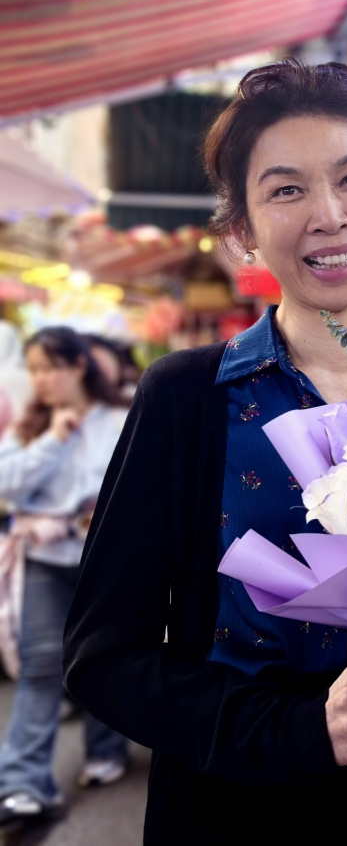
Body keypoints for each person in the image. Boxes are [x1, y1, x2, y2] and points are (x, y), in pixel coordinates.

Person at [60, 61, 347, 844]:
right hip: (236, 812)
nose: (328, 215)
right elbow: (103, 658)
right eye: (286, 190)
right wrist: (301, 726)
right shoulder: (189, 397)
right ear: (244, 229)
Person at [0, 326, 129, 827]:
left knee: (102, 658)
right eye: (34, 370)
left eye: (51, 367)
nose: (42, 380)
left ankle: (107, 749)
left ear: (79, 365)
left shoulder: (119, 417)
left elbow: (132, 482)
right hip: (43, 562)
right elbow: (8, 483)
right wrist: (53, 441)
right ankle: (21, 783)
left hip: (106, 562)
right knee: (39, 668)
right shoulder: (31, 425)